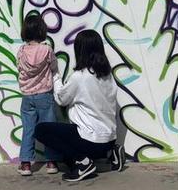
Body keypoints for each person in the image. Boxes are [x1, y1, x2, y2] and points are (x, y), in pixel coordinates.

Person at [35, 29, 123, 182]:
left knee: (41, 130)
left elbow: (61, 99)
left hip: (89, 142)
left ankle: (83, 162)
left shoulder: (80, 77)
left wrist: (55, 76)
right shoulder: (107, 75)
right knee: (68, 160)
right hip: (108, 141)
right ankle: (113, 153)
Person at [16, 12, 60, 176]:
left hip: (27, 96)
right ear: (42, 30)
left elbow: (19, 68)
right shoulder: (47, 50)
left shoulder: (21, 51)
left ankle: (26, 164)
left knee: (28, 129)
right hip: (45, 95)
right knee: (49, 128)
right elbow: (54, 67)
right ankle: (51, 162)